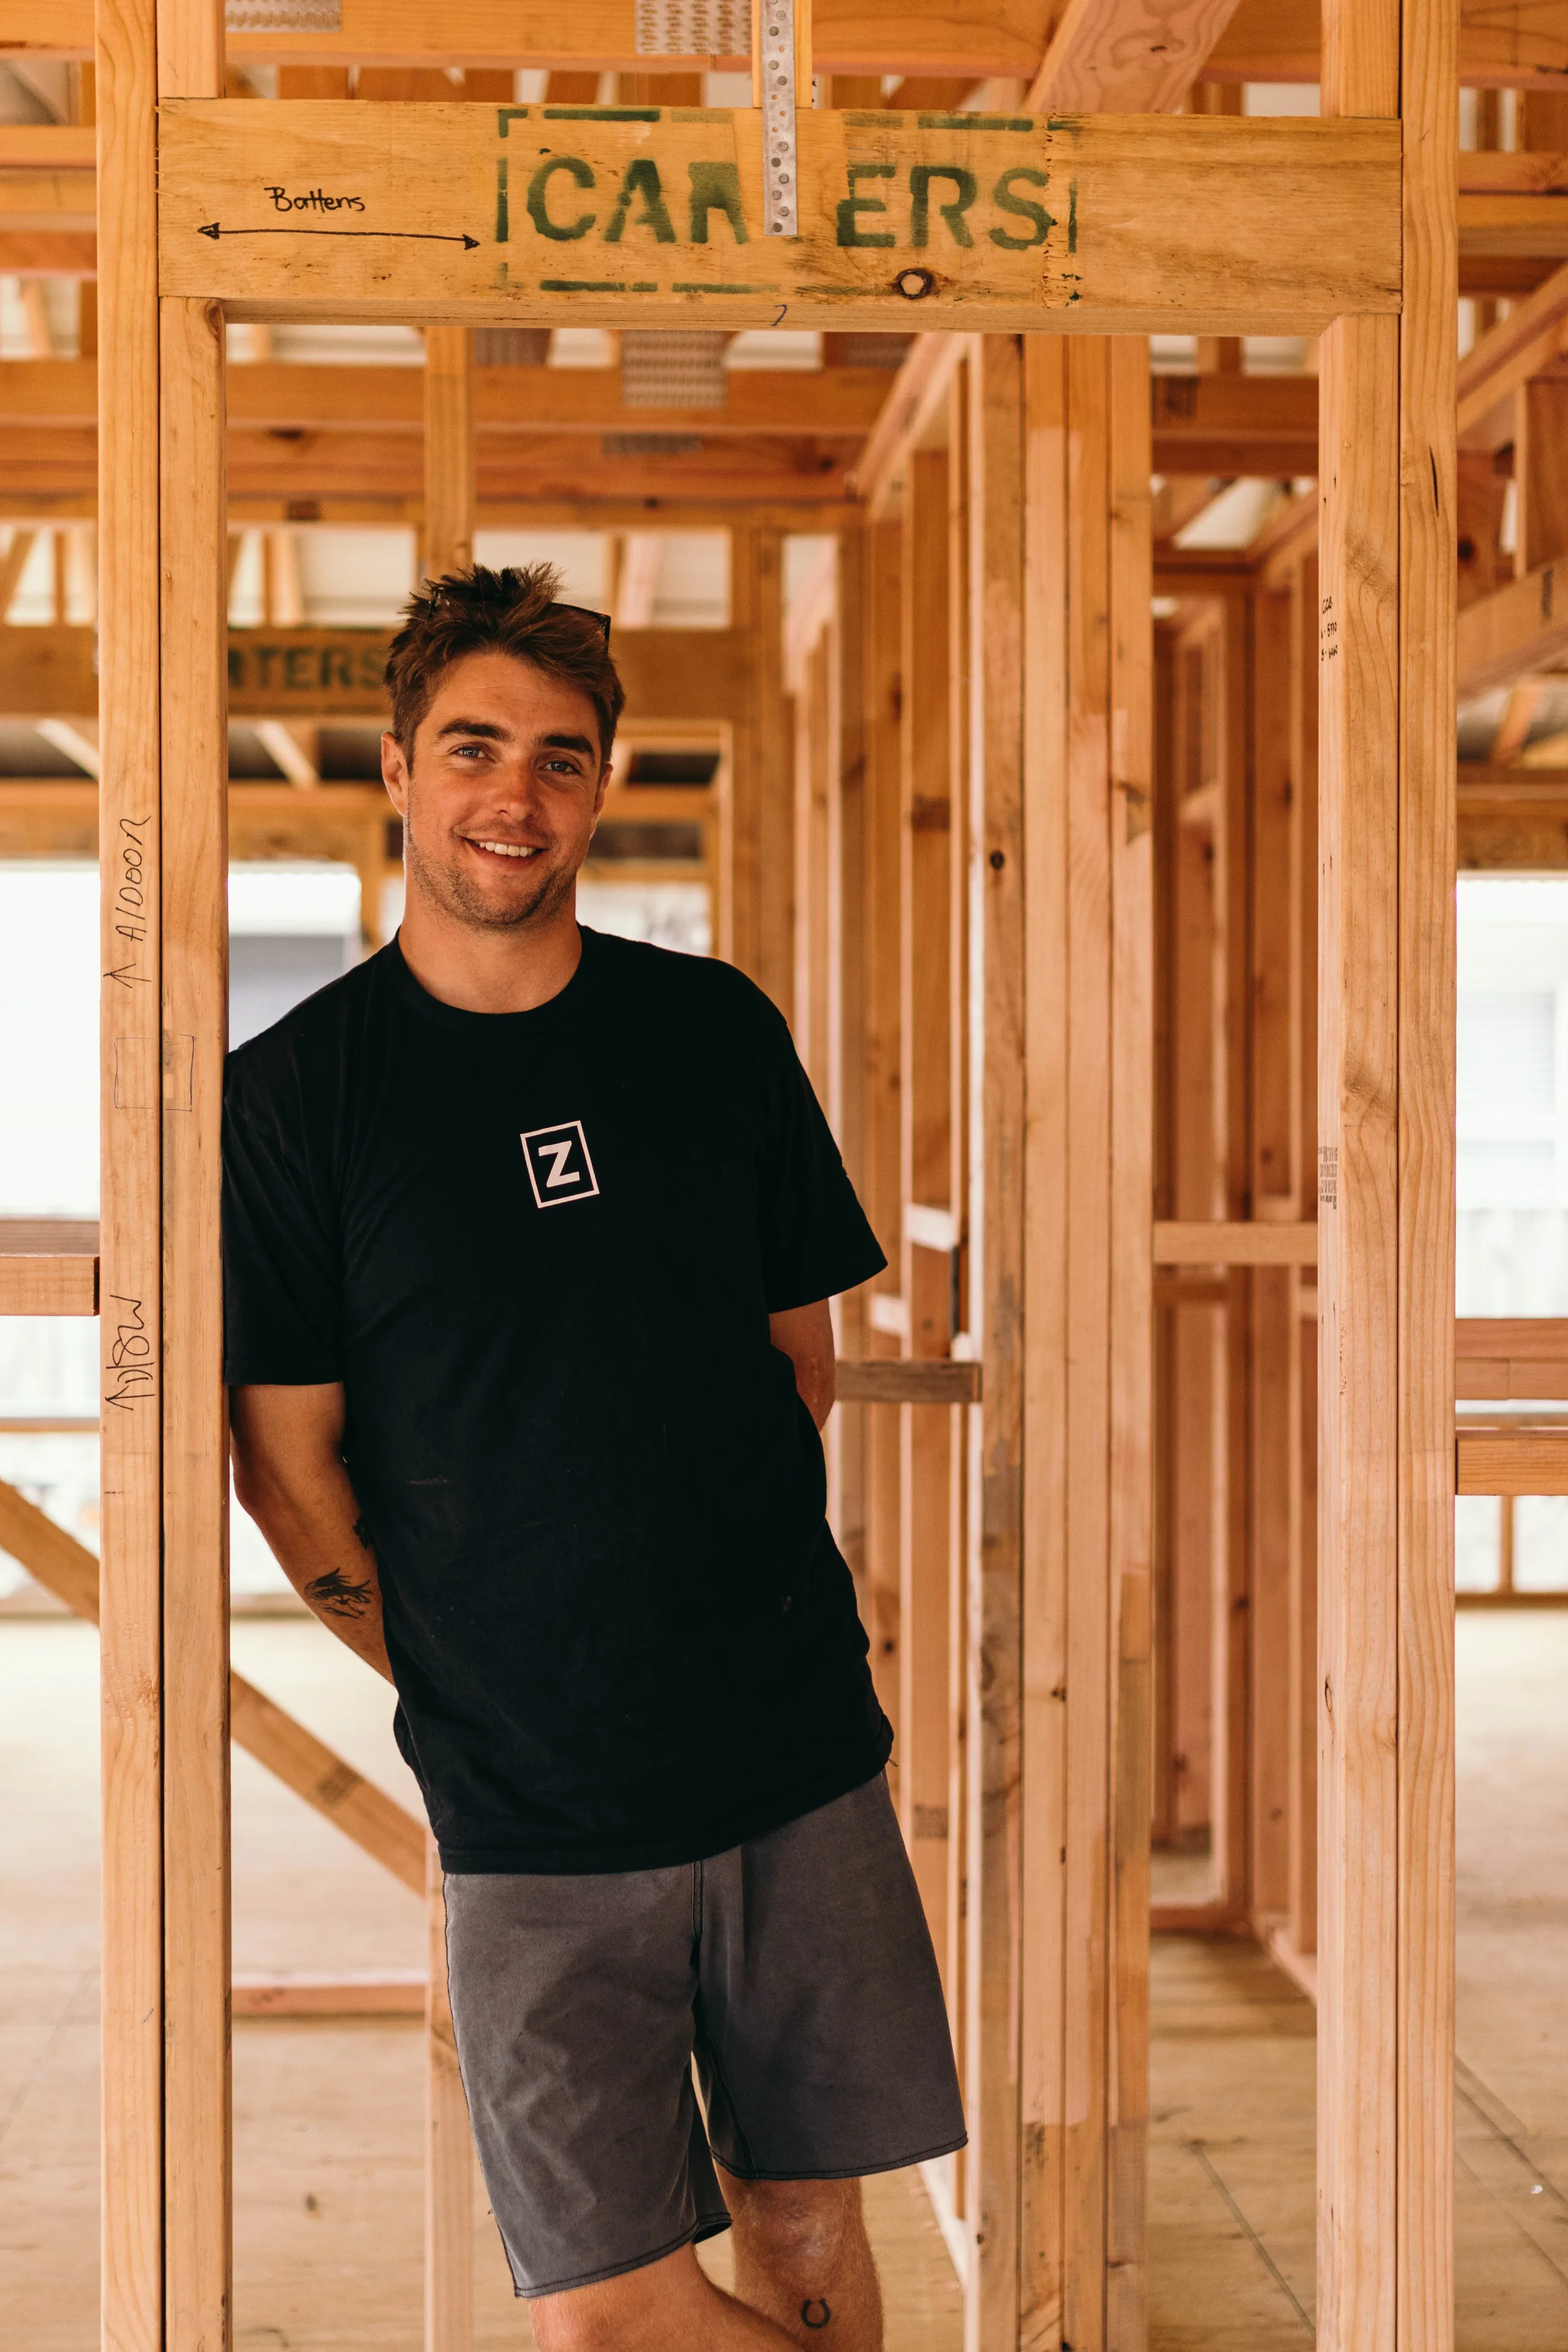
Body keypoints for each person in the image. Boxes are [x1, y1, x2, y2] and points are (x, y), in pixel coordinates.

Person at [223, 564, 965, 2351]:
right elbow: (290, 1470)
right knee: (609, 2314)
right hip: (532, 1797)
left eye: (561, 756)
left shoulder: (711, 1034)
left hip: (790, 1742)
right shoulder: (296, 1099)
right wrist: (487, 1659)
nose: (516, 795)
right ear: (396, 771)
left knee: (803, 2232)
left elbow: (803, 1361)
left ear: (603, 781)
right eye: (472, 746)